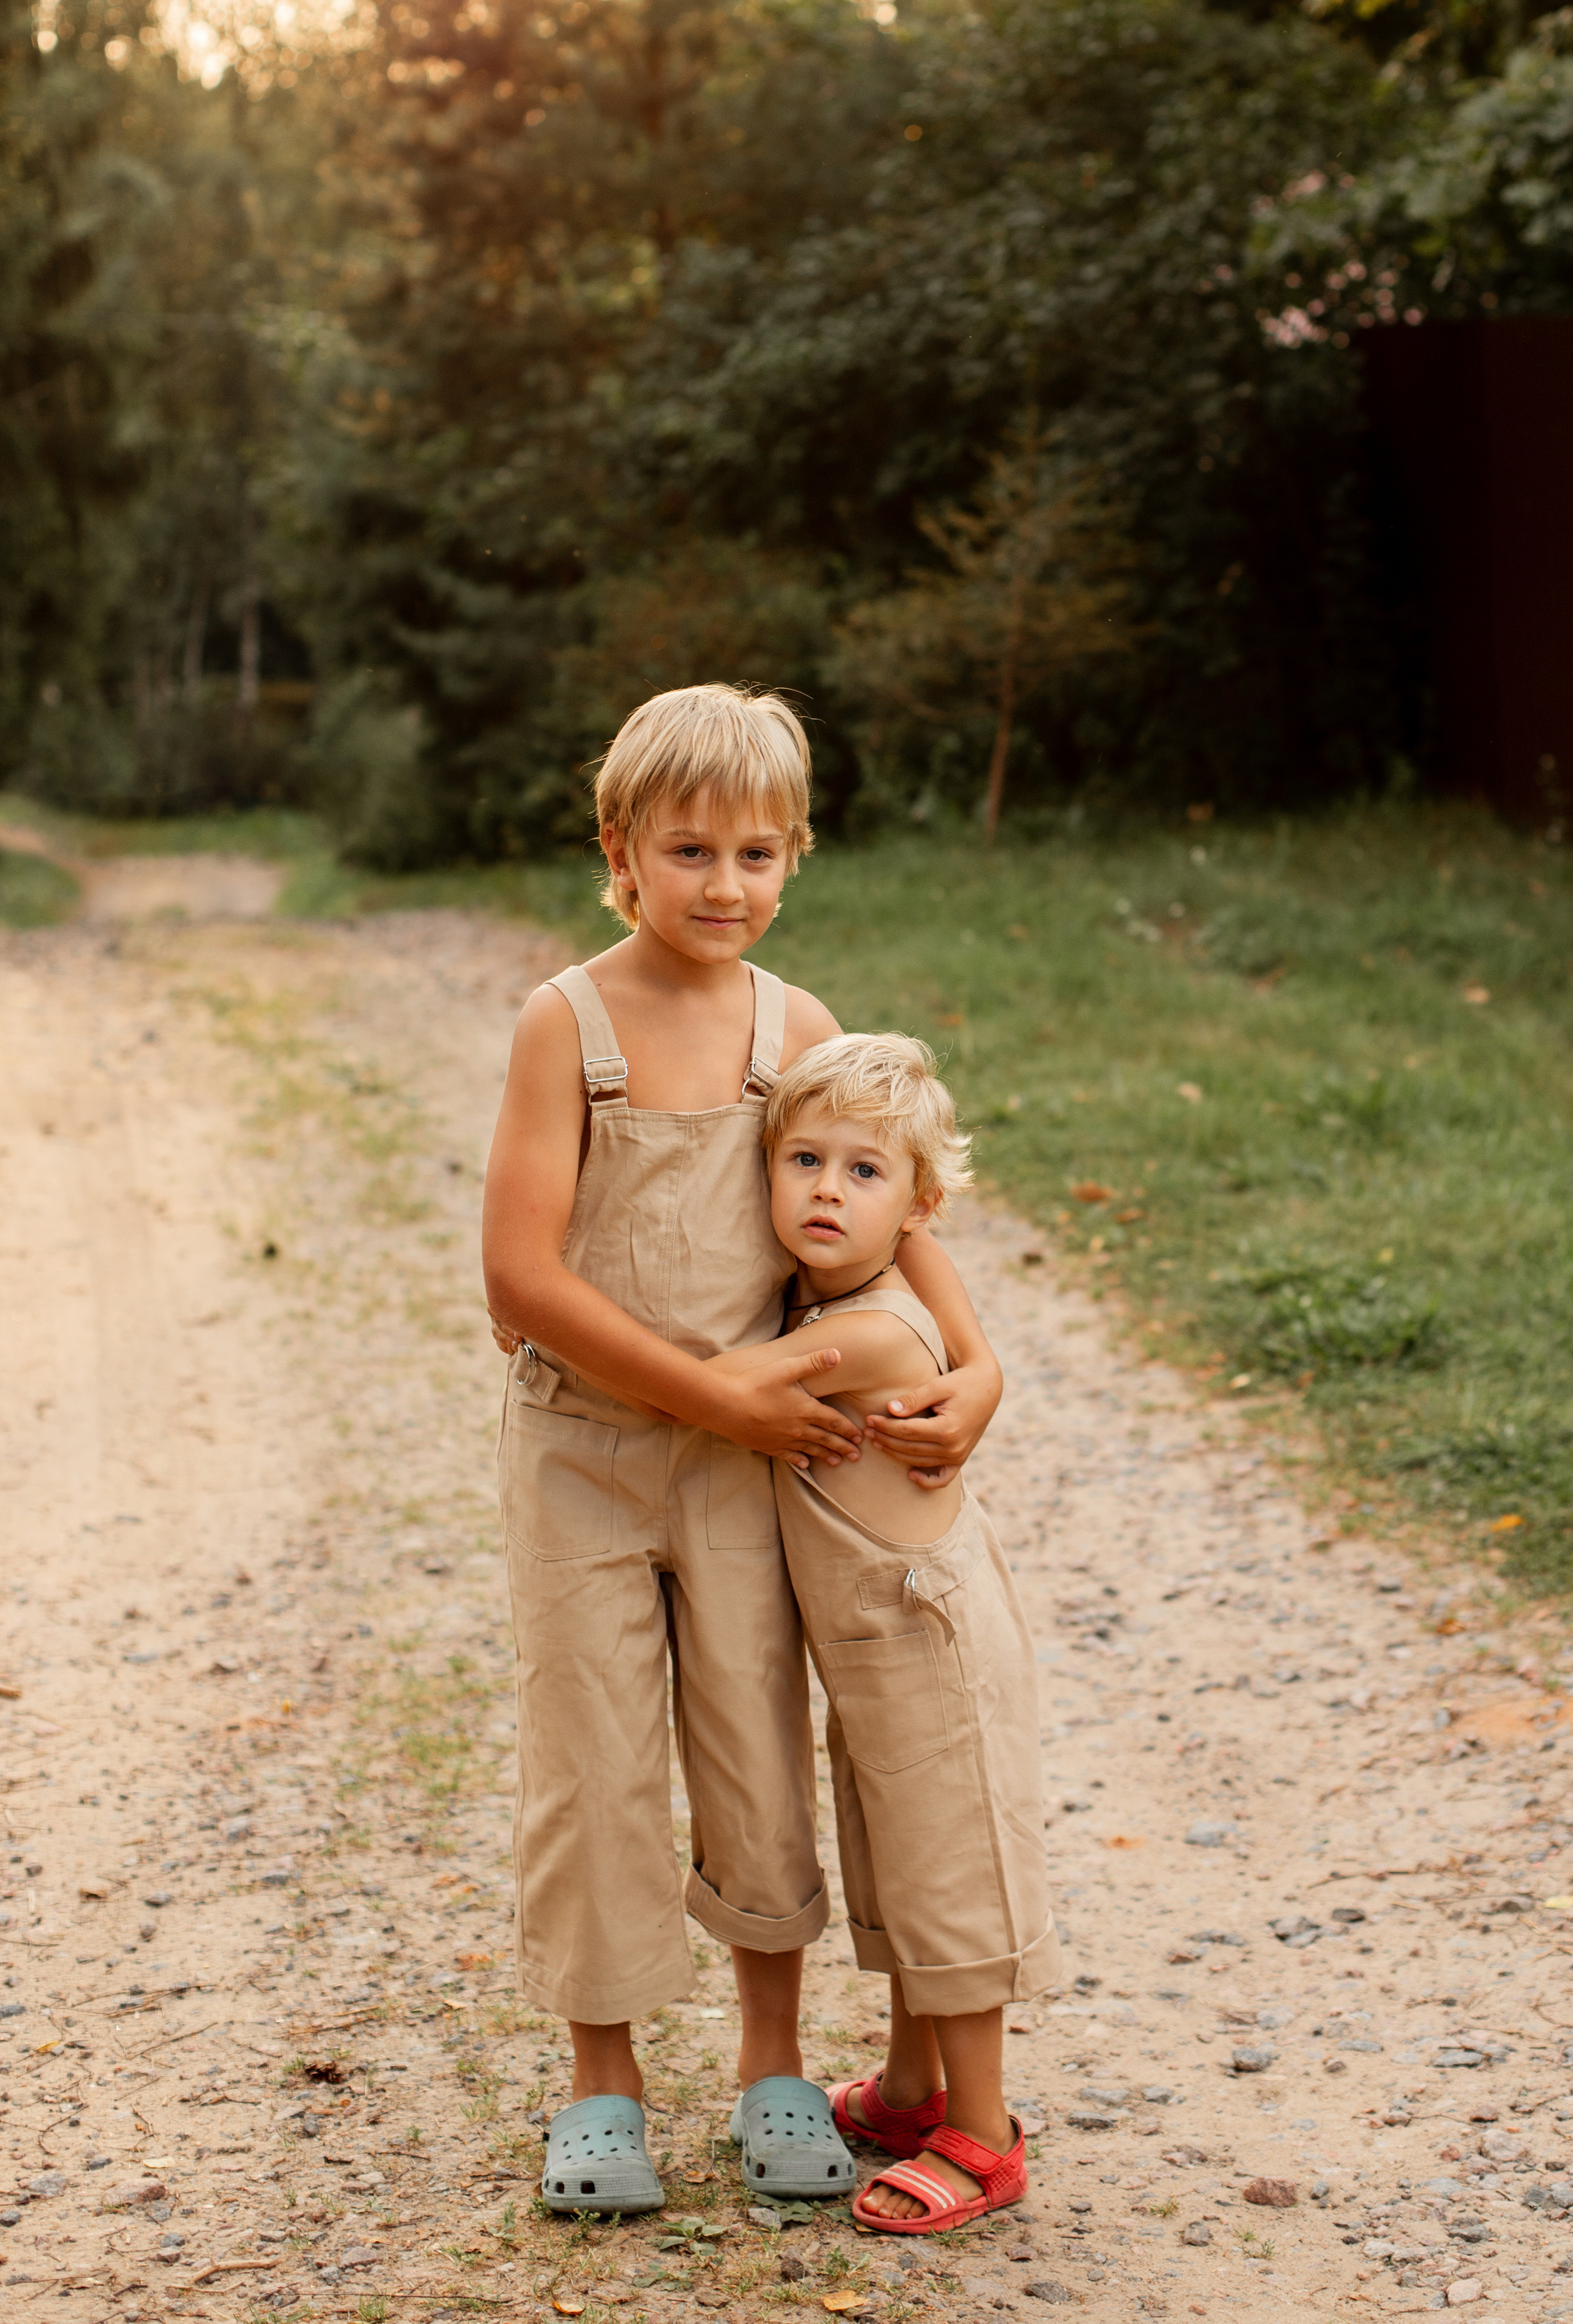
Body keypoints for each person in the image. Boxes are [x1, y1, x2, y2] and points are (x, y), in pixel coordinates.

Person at [480, 685, 1004, 2215]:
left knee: (755, 1739)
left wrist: (979, 1371)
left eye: (756, 854)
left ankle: (771, 2068)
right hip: (585, 1448)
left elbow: (895, 1219)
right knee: (589, 1751)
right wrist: (710, 1398)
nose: (723, 885)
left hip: (747, 1468)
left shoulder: (803, 1034)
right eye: (689, 849)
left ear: (796, 859)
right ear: (619, 851)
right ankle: (600, 2084)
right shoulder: (564, 1022)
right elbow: (520, 1278)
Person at [701, 1032, 1058, 2234]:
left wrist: (556, 1332)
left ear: (914, 1204)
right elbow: (902, 1234)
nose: (824, 1190)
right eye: (803, 1159)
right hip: (871, 1641)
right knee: (899, 1857)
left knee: (951, 1871)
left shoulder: (869, 1332)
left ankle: (986, 2131)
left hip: (928, 1634)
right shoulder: (835, 1283)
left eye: (864, 1173)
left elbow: (731, 1383)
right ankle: (909, 2091)